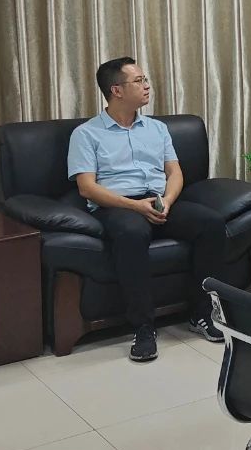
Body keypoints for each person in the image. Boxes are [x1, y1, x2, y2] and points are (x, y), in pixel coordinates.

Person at [68, 57, 228, 363]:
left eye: (145, 80)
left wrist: (167, 200)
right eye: (139, 81)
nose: (147, 86)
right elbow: (87, 188)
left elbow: (175, 172)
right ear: (116, 90)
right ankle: (143, 327)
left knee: (210, 223)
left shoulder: (157, 128)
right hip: (117, 204)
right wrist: (135, 206)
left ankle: (202, 313)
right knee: (132, 232)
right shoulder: (86, 134)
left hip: (159, 199)